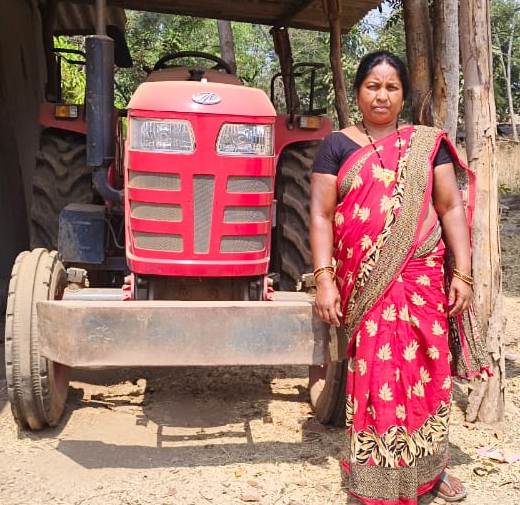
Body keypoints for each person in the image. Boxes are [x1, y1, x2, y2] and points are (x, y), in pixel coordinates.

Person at [310, 51, 481, 504]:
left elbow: (450, 207)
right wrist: (324, 279)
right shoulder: (336, 146)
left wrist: (463, 273)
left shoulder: (427, 143)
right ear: (358, 92)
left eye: (391, 87)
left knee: (427, 370)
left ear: (404, 95)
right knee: (377, 374)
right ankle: (373, 478)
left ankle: (431, 470)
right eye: (373, 86)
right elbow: (321, 215)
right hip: (367, 284)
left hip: (422, 278)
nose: (381, 95)